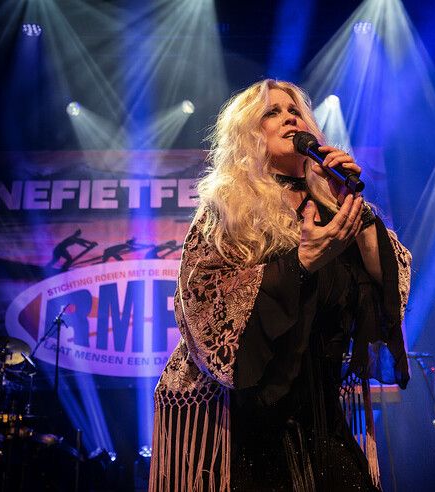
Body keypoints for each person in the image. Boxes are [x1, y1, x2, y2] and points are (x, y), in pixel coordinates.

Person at [149, 80, 411, 492]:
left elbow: (389, 285)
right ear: (248, 134)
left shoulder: (332, 207)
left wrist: (353, 210)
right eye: (272, 112)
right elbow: (202, 304)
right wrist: (300, 263)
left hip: (322, 419)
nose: (290, 116)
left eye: (295, 110)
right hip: (249, 423)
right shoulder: (226, 211)